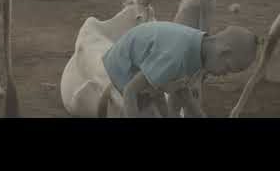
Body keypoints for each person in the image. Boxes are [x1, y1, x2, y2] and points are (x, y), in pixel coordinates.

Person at [98, 21, 258, 118]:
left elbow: (183, 92)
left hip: (144, 63)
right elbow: (130, 91)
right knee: (145, 109)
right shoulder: (176, 56)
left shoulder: (200, 47)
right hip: (123, 66)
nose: (224, 75)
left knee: (160, 99)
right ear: (223, 52)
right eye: (228, 68)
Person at [170, 0, 217, 116]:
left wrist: (200, 69)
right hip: (178, 56)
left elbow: (204, 32)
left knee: (191, 102)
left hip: (191, 60)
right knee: (174, 100)